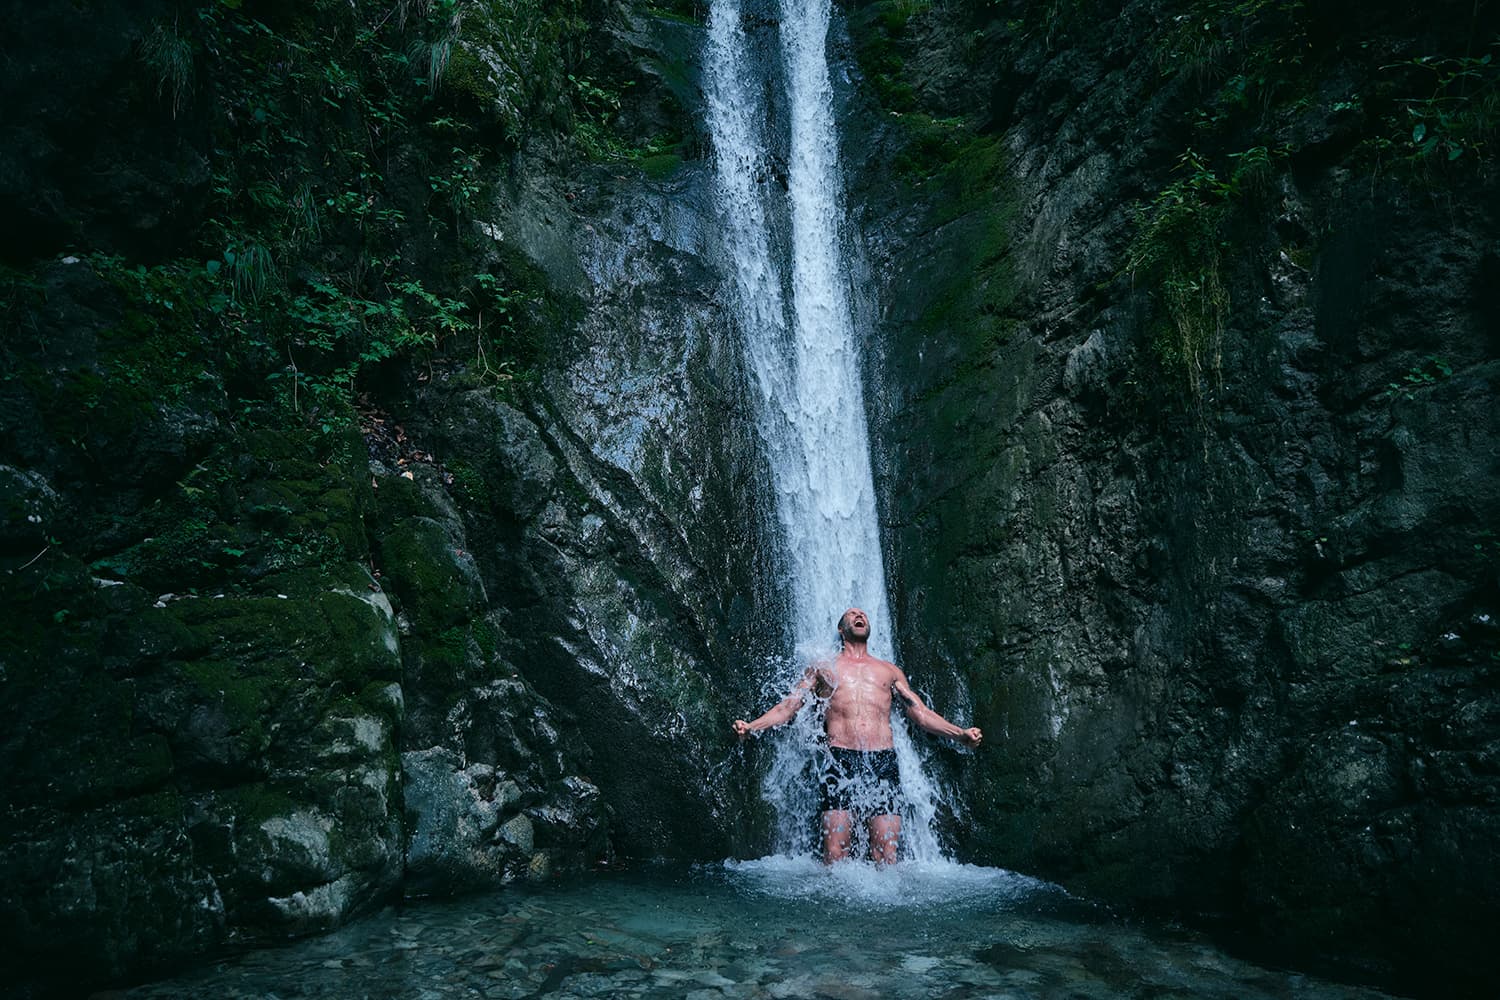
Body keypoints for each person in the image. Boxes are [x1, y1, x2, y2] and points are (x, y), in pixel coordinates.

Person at [732, 607, 982, 865]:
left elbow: (919, 713)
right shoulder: (823, 668)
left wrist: (959, 734)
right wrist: (752, 727)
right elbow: (789, 707)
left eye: (862, 614)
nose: (859, 616)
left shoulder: (889, 671)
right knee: (835, 853)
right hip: (840, 760)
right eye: (851, 614)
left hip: (883, 762)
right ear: (841, 629)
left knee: (886, 854)